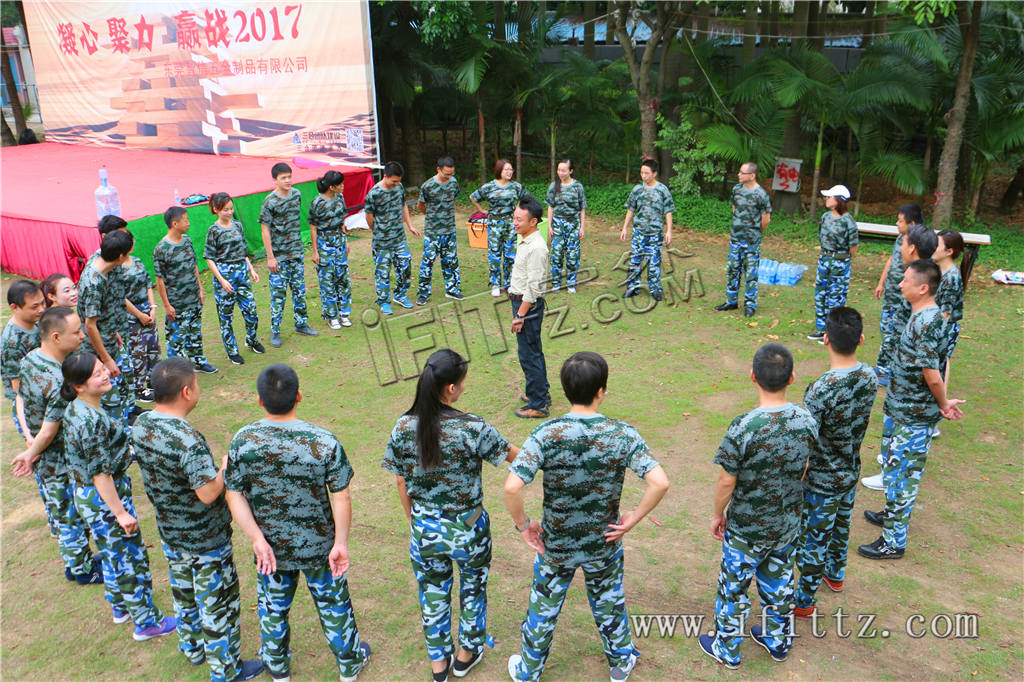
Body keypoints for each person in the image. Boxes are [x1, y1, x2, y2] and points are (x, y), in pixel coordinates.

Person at [505, 351, 669, 682]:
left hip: (556, 544)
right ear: (601, 391)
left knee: (543, 608)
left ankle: (528, 670)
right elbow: (660, 482)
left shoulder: (546, 433)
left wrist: (524, 526)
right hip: (603, 543)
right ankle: (621, 663)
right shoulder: (621, 433)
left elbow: (512, 487)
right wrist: (632, 519)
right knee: (609, 602)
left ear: (565, 389)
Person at [225, 364, 372, 682]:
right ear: (299, 396)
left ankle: (278, 670)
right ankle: (349, 664)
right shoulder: (322, 441)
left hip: (271, 550)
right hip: (321, 548)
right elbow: (341, 496)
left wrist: (256, 538)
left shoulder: (242, 441)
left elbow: (233, 494)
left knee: (273, 609)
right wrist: (341, 543)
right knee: (334, 606)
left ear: (260, 401)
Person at [382, 349, 518, 681]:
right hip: (469, 528)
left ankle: (438, 666)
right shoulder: (473, 427)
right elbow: (517, 456)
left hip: (424, 528)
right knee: (473, 587)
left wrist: (413, 519)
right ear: (452, 389)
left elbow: (400, 479)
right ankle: (465, 656)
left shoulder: (403, 426)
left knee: (431, 593)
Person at [131, 358, 263, 682]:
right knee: (218, 605)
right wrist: (225, 469)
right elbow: (207, 493)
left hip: (170, 533)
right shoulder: (187, 439)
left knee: (184, 595)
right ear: (187, 391)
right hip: (205, 539)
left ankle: (192, 648)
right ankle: (227, 671)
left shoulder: (142, 424)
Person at [699, 343, 817, 670]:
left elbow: (726, 480)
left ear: (752, 376)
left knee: (734, 589)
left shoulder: (744, 426)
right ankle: (778, 640)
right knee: (779, 584)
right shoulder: (805, 419)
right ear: (791, 377)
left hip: (746, 530)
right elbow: (805, 464)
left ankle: (727, 647)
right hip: (786, 524)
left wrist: (716, 514)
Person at [60, 351, 175, 640]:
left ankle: (120, 606)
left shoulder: (80, 407)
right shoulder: (88, 420)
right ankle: (147, 622)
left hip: (93, 496)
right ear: (79, 386)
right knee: (129, 558)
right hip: (103, 498)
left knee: (112, 555)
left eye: (103, 369)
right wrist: (120, 513)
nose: (105, 375)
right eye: (96, 374)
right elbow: (101, 473)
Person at [858, 260, 965, 560]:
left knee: (904, 476)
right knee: (894, 468)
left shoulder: (929, 321)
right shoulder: (919, 316)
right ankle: (890, 514)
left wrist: (943, 404)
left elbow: (932, 372)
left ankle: (893, 542)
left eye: (905, 280)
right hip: (901, 409)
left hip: (915, 415)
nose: (899, 284)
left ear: (923, 288)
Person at [793, 308, 876, 618]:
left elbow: (807, 440)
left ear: (825, 339)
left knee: (814, 538)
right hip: (850, 469)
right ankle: (836, 574)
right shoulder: (870, 375)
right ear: (861, 339)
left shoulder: (819, 390)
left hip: (821, 479)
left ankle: (803, 600)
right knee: (842, 524)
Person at [10, 306, 100, 583]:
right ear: (57, 337)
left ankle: (78, 561)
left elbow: (20, 400)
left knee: (62, 511)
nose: (82, 336)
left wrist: (28, 437)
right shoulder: (60, 379)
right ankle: (81, 570)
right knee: (70, 515)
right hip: (58, 457)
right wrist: (31, 452)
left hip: (45, 453)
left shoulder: (31, 360)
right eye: (76, 333)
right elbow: (50, 431)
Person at [861, 223, 938, 491]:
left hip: (908, 377)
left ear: (912, 248)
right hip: (901, 366)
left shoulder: (918, 283)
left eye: (904, 243)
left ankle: (890, 473)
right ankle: (890, 465)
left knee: (897, 423)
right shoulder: (917, 276)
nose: (901, 248)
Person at [77, 230, 137, 428]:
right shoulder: (94, 283)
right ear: (120, 256)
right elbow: (89, 325)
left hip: (108, 337)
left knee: (121, 389)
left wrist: (113, 330)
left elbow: (102, 314)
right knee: (110, 399)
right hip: (96, 351)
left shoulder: (100, 260)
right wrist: (107, 359)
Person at [260, 162, 319, 347]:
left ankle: (301, 324)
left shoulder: (296, 195)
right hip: (279, 257)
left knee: (299, 291)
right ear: (275, 180)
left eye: (289, 176)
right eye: (283, 178)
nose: (288, 181)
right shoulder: (269, 202)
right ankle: (275, 331)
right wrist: (270, 257)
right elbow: (265, 230)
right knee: (278, 295)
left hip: (296, 253)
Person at [154, 206, 217, 374]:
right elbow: (159, 280)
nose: (188, 223)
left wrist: (200, 290)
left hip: (194, 299)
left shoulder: (187, 240)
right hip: (177, 303)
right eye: (185, 220)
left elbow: (193, 265)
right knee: (176, 339)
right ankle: (176, 371)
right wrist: (167, 305)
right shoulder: (162, 249)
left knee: (195, 333)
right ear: (175, 223)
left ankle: (198, 362)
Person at [204, 192, 264, 364]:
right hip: (225, 277)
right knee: (226, 316)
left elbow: (243, 252)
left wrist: (251, 269)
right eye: (225, 210)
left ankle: (252, 340)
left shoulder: (237, 225)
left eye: (231, 209)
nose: (229, 212)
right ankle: (232, 351)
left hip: (242, 274)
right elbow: (209, 258)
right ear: (216, 210)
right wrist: (221, 280)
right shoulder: (213, 231)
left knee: (251, 311)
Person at [508, 196, 551, 419]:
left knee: (529, 355)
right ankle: (539, 392)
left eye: (519, 219)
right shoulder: (526, 240)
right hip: (521, 302)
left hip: (528, 306)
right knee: (532, 351)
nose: (515, 222)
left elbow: (534, 288)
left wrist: (520, 315)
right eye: (514, 218)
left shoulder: (537, 248)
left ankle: (538, 404)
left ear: (533, 221)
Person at [873, 204, 922, 385]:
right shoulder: (901, 238)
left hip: (902, 298)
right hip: (890, 294)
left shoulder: (916, 246)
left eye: (900, 221)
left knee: (897, 332)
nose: (897, 224)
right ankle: (883, 366)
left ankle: (893, 371)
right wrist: (881, 283)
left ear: (912, 223)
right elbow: (891, 260)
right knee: (886, 329)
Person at [715, 161, 771, 317]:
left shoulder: (761, 194)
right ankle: (731, 301)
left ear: (752, 176)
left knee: (751, 273)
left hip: (752, 241)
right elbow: (734, 209)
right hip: (735, 239)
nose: (738, 175)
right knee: (733, 270)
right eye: (739, 172)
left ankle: (750, 305)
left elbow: (766, 219)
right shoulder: (737, 189)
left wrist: (755, 233)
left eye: (742, 173)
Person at [364, 161, 420, 315]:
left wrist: (410, 225)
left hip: (399, 238)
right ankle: (384, 301)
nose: (396, 184)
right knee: (383, 272)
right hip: (382, 241)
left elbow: (403, 205)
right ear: (385, 176)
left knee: (405, 266)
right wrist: (376, 231)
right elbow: (369, 216)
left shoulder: (399, 188)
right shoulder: (374, 193)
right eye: (394, 181)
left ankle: (400, 294)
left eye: (398, 181)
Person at [808, 186, 859, 342]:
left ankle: (833, 332)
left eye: (829, 196)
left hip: (839, 262)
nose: (826, 199)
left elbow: (854, 246)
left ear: (838, 200)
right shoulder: (825, 217)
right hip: (824, 260)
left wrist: (842, 260)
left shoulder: (848, 221)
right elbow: (821, 236)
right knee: (820, 294)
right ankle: (821, 329)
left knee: (835, 297)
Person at [620, 159, 675, 302]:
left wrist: (669, 231)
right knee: (634, 261)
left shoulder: (662, 190)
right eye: (642, 173)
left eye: (647, 173)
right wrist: (625, 227)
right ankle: (632, 288)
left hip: (655, 234)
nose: (643, 176)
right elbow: (630, 209)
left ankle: (655, 289)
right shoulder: (637, 190)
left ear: (655, 173)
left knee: (654, 262)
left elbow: (668, 211)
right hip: (639, 232)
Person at [470, 159, 525, 297]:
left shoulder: (516, 187)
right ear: (499, 170)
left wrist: (518, 212)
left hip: (511, 225)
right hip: (494, 225)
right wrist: (481, 210)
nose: (509, 172)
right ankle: (495, 283)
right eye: (506, 169)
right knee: (494, 255)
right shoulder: (489, 187)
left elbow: (526, 199)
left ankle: (508, 284)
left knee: (510, 255)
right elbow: (473, 197)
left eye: (511, 169)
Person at [416, 157, 464, 305]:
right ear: (438, 170)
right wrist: (433, 216)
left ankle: (452, 289)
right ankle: (423, 293)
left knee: (451, 261)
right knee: (428, 262)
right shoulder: (428, 186)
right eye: (446, 174)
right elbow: (420, 206)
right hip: (433, 232)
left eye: (451, 173)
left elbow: (453, 200)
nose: (449, 177)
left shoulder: (453, 183)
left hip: (449, 230)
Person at [309, 170, 354, 328]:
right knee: (327, 280)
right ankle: (331, 315)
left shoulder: (340, 198)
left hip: (339, 241)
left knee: (343, 278)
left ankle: (344, 313)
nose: (343, 186)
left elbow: (342, 220)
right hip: (324, 242)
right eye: (340, 184)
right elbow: (313, 228)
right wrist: (315, 251)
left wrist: (345, 240)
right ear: (332, 187)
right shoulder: (317, 203)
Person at [3, 280, 44, 439]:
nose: (41, 309)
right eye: (34, 306)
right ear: (14, 307)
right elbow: (17, 386)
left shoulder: (36, 324)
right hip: (31, 407)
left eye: (42, 303)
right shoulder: (12, 342)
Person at [121, 241, 160, 403]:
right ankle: (138, 388)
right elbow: (121, 297)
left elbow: (148, 284)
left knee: (154, 348)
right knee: (138, 352)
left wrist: (152, 307)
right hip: (131, 315)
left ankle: (154, 381)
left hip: (147, 310)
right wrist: (139, 315)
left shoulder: (137, 261)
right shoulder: (116, 268)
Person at [545, 159, 587, 294]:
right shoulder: (554, 186)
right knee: (556, 255)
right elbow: (550, 207)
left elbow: (582, 208)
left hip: (574, 225)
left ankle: (571, 283)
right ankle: (556, 283)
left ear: (571, 171)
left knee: (572, 254)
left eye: (563, 170)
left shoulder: (578, 187)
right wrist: (550, 226)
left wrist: (582, 227)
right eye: (558, 170)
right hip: (558, 225)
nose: (560, 173)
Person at [934, 229, 964, 390]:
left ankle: (941, 401)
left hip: (944, 329)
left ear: (949, 251)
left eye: (937, 245)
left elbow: (945, 314)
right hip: (938, 326)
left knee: (939, 369)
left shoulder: (952, 277)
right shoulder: (939, 269)